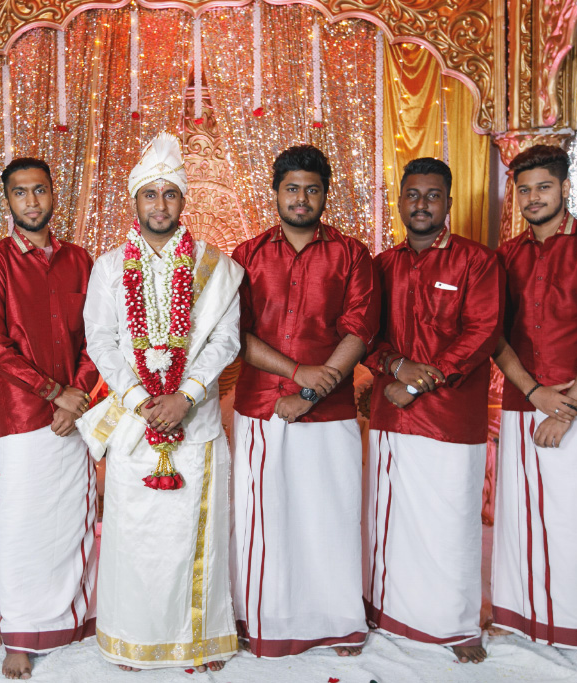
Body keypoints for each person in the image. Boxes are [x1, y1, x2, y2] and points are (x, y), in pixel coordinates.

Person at [79, 132, 243, 672]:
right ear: (135, 201)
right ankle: (131, 639)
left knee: (195, 535)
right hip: (135, 421)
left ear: (182, 200)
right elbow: (100, 340)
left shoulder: (216, 268)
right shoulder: (109, 268)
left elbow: (226, 340)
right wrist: (138, 398)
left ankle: (201, 641)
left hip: (195, 422)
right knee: (135, 538)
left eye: (169, 194)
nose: (159, 205)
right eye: (149, 194)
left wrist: (185, 396)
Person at [229, 144, 379, 658]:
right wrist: (296, 375)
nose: (301, 198)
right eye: (291, 188)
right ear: (275, 193)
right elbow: (235, 334)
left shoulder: (352, 255)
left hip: (329, 413)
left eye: (311, 190)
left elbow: (359, 331)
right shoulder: (247, 256)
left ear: (325, 195)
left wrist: (312, 392)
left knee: (329, 517)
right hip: (261, 407)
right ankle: (259, 617)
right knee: (263, 519)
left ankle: (336, 620)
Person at [490, 145, 577, 666]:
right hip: (523, 399)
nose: (533, 198)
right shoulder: (506, 255)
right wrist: (534, 393)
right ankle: (515, 616)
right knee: (519, 516)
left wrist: (565, 407)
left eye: (543, 187)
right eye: (524, 190)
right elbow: (494, 335)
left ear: (565, 187)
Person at [363, 158, 502, 664]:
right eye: (413, 195)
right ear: (400, 201)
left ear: (448, 202)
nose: (422, 204)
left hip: (449, 419)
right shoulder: (380, 265)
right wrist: (395, 367)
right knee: (390, 522)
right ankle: (386, 612)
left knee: (451, 523)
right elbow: (364, 335)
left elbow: (483, 331)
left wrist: (422, 381)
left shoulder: (477, 262)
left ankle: (455, 624)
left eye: (433, 196)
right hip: (390, 415)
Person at [0, 158, 99, 680]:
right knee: (23, 525)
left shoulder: (80, 260)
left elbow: (98, 336)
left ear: (52, 194)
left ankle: (74, 619)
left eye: (39, 190)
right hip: (24, 416)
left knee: (74, 518)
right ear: (8, 201)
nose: (31, 201)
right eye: (20, 192)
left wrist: (78, 393)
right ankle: (21, 635)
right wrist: (54, 394)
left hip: (77, 413)